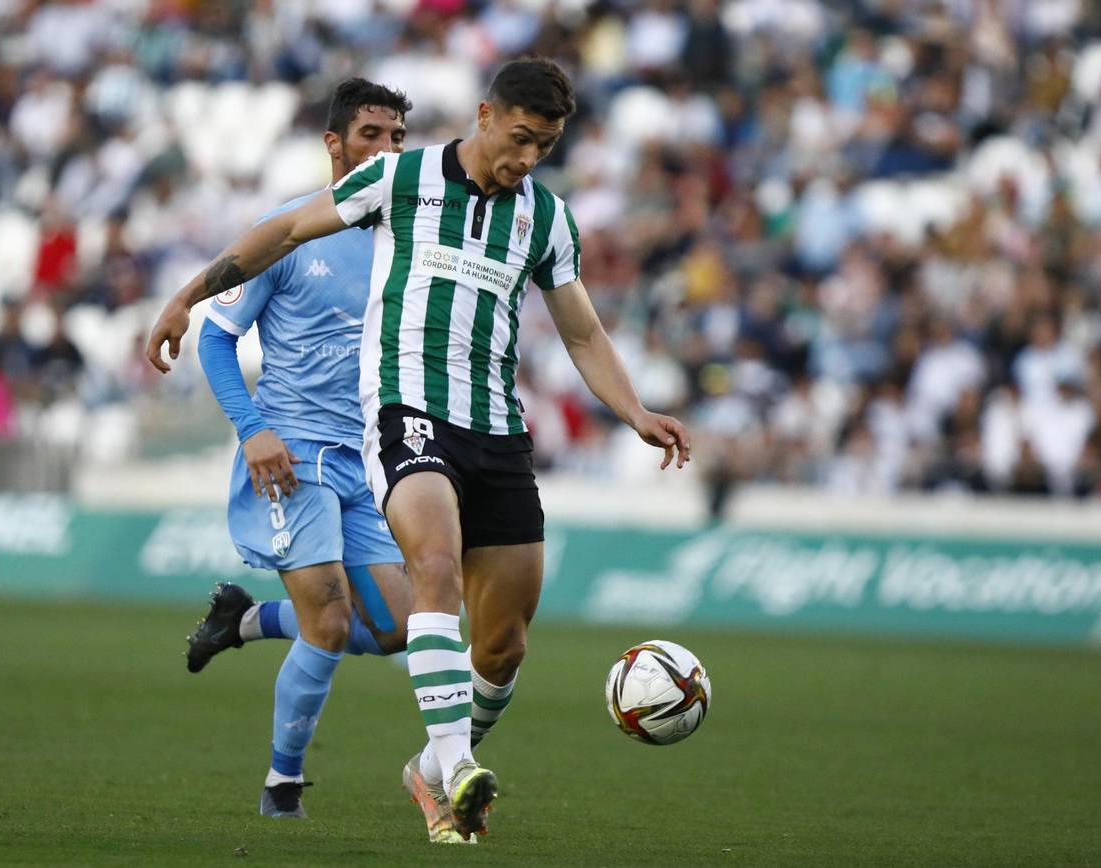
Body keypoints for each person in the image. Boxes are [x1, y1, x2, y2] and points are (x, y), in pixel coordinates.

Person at [147, 59, 692, 844]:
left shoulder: (547, 220)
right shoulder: (403, 182)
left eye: (546, 146)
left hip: (497, 431)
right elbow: (287, 230)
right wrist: (185, 297)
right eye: (521, 138)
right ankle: (413, 770)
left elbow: (581, 331)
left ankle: (429, 771)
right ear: (484, 114)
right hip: (403, 415)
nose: (528, 158)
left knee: (500, 642)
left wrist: (634, 409)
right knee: (421, 574)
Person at [180, 79, 418, 822]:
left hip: (368, 459)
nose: (386, 150)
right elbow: (216, 339)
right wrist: (255, 431)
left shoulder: (405, 233)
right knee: (326, 623)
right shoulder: (288, 229)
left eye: (396, 138)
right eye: (371, 135)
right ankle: (282, 789)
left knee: (395, 631)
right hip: (293, 456)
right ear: (334, 143)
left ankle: (244, 622)